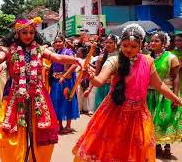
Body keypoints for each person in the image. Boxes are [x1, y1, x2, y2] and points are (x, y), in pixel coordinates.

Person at [0, 17, 82, 162]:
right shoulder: (8, 50)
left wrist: (75, 60)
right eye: (24, 32)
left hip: (37, 95)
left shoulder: (40, 49)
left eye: (31, 32)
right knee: (11, 133)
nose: (28, 36)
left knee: (39, 132)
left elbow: (56, 57)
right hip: (14, 94)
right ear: (17, 34)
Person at [72, 24, 182, 161]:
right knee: (112, 150)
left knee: (139, 151)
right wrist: (91, 77)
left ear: (141, 45)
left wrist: (175, 98)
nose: (128, 49)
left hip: (139, 114)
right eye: (125, 45)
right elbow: (99, 81)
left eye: (133, 46)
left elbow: (159, 85)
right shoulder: (114, 61)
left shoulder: (148, 61)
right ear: (121, 45)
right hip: (115, 112)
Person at [147, 32, 181, 159]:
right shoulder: (147, 57)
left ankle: (167, 146)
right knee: (152, 120)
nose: (153, 43)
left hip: (166, 93)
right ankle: (156, 146)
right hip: (150, 93)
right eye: (151, 41)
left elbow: (176, 77)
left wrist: (175, 96)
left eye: (156, 41)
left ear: (163, 43)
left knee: (165, 120)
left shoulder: (171, 57)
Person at [50, 35, 79, 134]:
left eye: (59, 41)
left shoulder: (68, 52)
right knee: (57, 102)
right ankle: (60, 125)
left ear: (64, 42)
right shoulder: (56, 53)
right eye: (56, 42)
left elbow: (75, 64)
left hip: (66, 82)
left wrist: (64, 76)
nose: (57, 43)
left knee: (67, 101)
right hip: (56, 82)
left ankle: (68, 126)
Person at [94, 34, 119, 110]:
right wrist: (89, 89)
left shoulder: (121, 57)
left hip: (116, 88)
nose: (108, 44)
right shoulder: (101, 58)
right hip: (102, 88)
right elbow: (96, 75)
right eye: (106, 42)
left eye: (110, 42)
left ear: (116, 44)